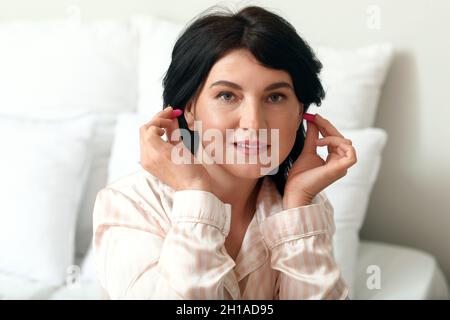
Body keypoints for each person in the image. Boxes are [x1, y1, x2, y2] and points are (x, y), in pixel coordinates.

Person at [92, 5, 357, 299]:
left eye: (275, 96)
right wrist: (195, 194)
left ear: (300, 113)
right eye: (227, 95)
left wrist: (298, 207)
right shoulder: (130, 204)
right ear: (189, 110)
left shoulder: (303, 206)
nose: (254, 123)